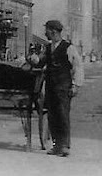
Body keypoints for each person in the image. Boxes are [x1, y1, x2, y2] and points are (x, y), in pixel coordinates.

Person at [26, 19, 83, 157]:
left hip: (64, 87)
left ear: (53, 31)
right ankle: (57, 146)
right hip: (51, 86)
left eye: (46, 30)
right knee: (52, 116)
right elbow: (40, 62)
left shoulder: (69, 48)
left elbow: (78, 67)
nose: (45, 33)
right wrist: (34, 59)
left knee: (62, 115)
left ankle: (64, 146)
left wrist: (76, 85)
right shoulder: (48, 47)